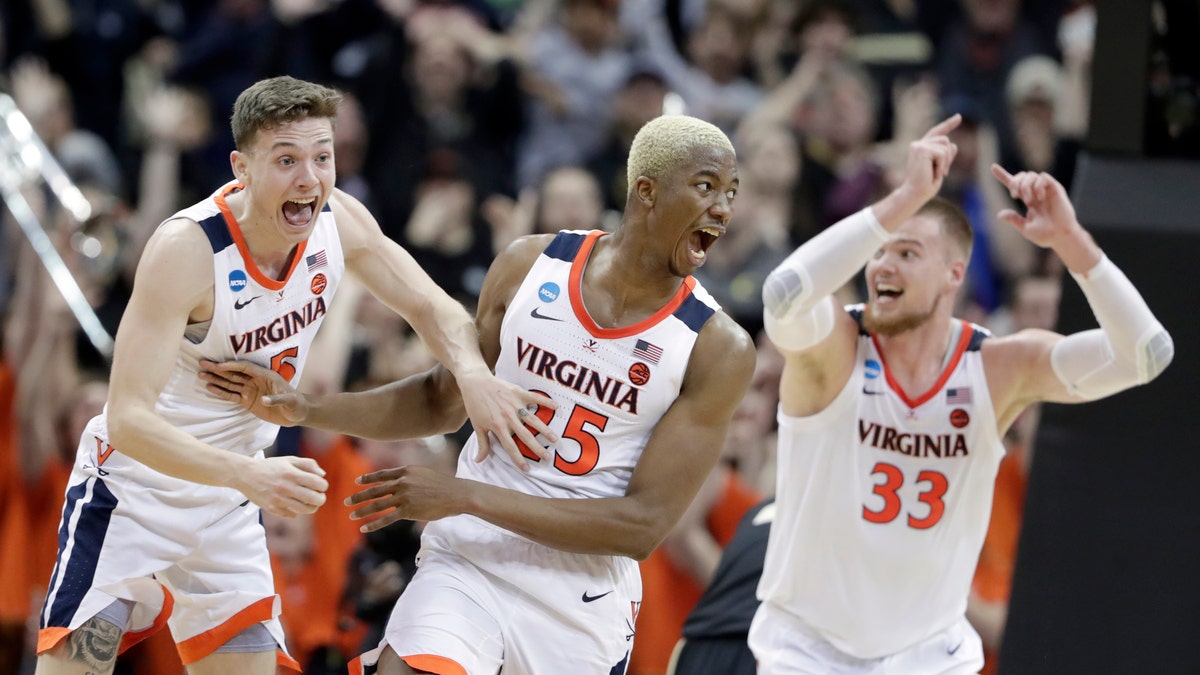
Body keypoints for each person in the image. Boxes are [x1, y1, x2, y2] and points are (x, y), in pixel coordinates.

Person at [201, 113, 757, 674]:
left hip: (579, 599)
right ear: (647, 192)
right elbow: (442, 399)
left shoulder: (715, 347)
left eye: (731, 193)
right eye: (707, 186)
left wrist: (465, 496)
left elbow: (640, 528)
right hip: (467, 562)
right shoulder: (530, 265)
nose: (723, 209)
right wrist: (307, 407)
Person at [35, 75, 550, 675]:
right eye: (286, 159)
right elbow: (125, 421)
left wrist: (471, 374)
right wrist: (248, 475)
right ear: (242, 167)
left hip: (229, 497)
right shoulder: (188, 249)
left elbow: (432, 306)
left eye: (321, 157)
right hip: (137, 488)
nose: (310, 177)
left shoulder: (339, 221)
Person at [753, 114, 1174, 673]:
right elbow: (783, 294)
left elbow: (1145, 354)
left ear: (954, 275)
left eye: (906, 252)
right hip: (809, 649)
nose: (882, 263)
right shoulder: (836, 346)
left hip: (930, 654)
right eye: (880, 250)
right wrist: (900, 201)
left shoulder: (997, 368)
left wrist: (1074, 244)